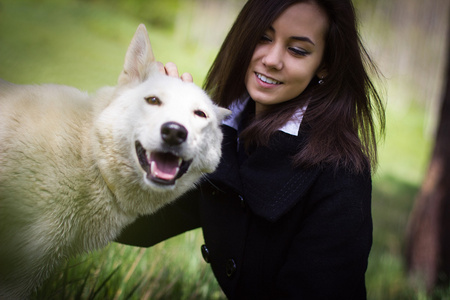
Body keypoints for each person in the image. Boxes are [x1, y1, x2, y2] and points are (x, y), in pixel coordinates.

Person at [116, 0, 385, 299]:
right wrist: (152, 125)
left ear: (325, 64)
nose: (272, 59)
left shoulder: (340, 173)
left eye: (297, 50)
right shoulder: (224, 130)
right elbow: (135, 223)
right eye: (263, 37)